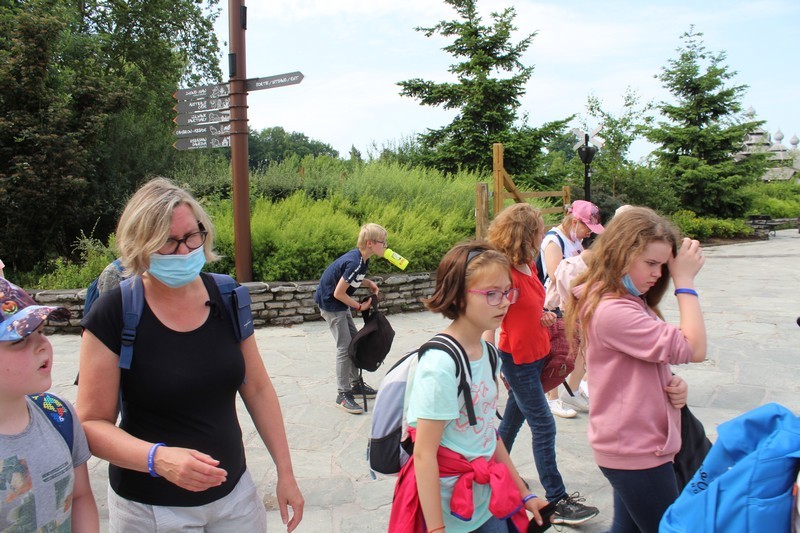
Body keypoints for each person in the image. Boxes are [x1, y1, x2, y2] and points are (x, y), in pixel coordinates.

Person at [77, 177, 304, 532]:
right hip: (151, 509)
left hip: (235, 499)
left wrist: (285, 472)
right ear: (140, 245)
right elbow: (91, 424)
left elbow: (258, 388)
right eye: (168, 242)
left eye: (192, 236)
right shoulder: (114, 312)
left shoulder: (227, 296)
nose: (184, 251)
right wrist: (158, 458)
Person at [389, 241, 549, 532]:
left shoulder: (488, 354)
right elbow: (424, 454)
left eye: (508, 292)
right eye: (492, 294)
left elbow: (488, 434)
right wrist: (436, 528)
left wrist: (525, 493)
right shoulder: (440, 365)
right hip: (448, 511)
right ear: (458, 295)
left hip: (487, 501)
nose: (504, 302)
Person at [565, 206, 706, 533]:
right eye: (651, 263)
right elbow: (694, 347)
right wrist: (685, 282)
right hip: (636, 449)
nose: (658, 273)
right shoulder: (613, 310)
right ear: (621, 254)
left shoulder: (624, 299)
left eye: (663, 265)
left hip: (633, 443)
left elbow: (638, 362)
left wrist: (669, 382)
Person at [483, 202, 600, 526]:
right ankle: (557, 500)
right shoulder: (505, 273)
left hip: (537, 355)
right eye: (538, 230)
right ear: (524, 234)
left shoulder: (527, 266)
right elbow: (492, 316)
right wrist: (488, 357)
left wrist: (544, 316)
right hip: (517, 360)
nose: (543, 235)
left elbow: (531, 308)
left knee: (511, 423)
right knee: (544, 425)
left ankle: (489, 472)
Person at [0, 278, 99, 531]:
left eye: (41, 332)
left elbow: (79, 496)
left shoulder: (57, 412)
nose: (43, 345)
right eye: (20, 340)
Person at [541, 200, 604, 418]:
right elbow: (555, 275)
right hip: (555, 305)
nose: (589, 233)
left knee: (583, 345)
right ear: (575, 221)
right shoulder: (554, 241)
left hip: (574, 302)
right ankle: (552, 397)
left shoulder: (575, 240)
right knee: (559, 350)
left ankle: (572, 390)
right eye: (587, 227)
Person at [314, 223, 385, 414]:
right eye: (383, 242)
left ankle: (356, 385)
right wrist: (359, 306)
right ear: (370, 243)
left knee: (355, 342)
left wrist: (367, 282)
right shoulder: (355, 262)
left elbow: (350, 279)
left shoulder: (362, 260)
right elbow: (338, 293)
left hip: (339, 304)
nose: (385, 246)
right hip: (332, 305)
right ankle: (342, 394)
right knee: (345, 347)